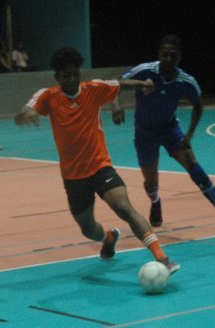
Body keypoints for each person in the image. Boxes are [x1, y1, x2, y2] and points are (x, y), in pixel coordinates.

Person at [14, 47, 179, 273]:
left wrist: (144, 84)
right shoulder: (48, 96)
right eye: (66, 75)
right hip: (73, 176)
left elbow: (120, 84)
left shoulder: (93, 89)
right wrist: (27, 113)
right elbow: (25, 109)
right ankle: (109, 237)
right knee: (88, 229)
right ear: (57, 77)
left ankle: (162, 258)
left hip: (100, 166)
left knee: (124, 206)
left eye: (75, 74)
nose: (71, 79)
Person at [115, 34, 215, 238]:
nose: (168, 58)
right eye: (164, 54)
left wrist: (189, 135)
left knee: (195, 168)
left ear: (180, 57)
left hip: (169, 130)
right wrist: (117, 105)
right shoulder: (145, 70)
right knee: (150, 181)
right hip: (145, 133)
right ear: (159, 54)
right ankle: (156, 201)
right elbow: (117, 83)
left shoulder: (186, 81)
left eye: (173, 55)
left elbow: (198, 105)